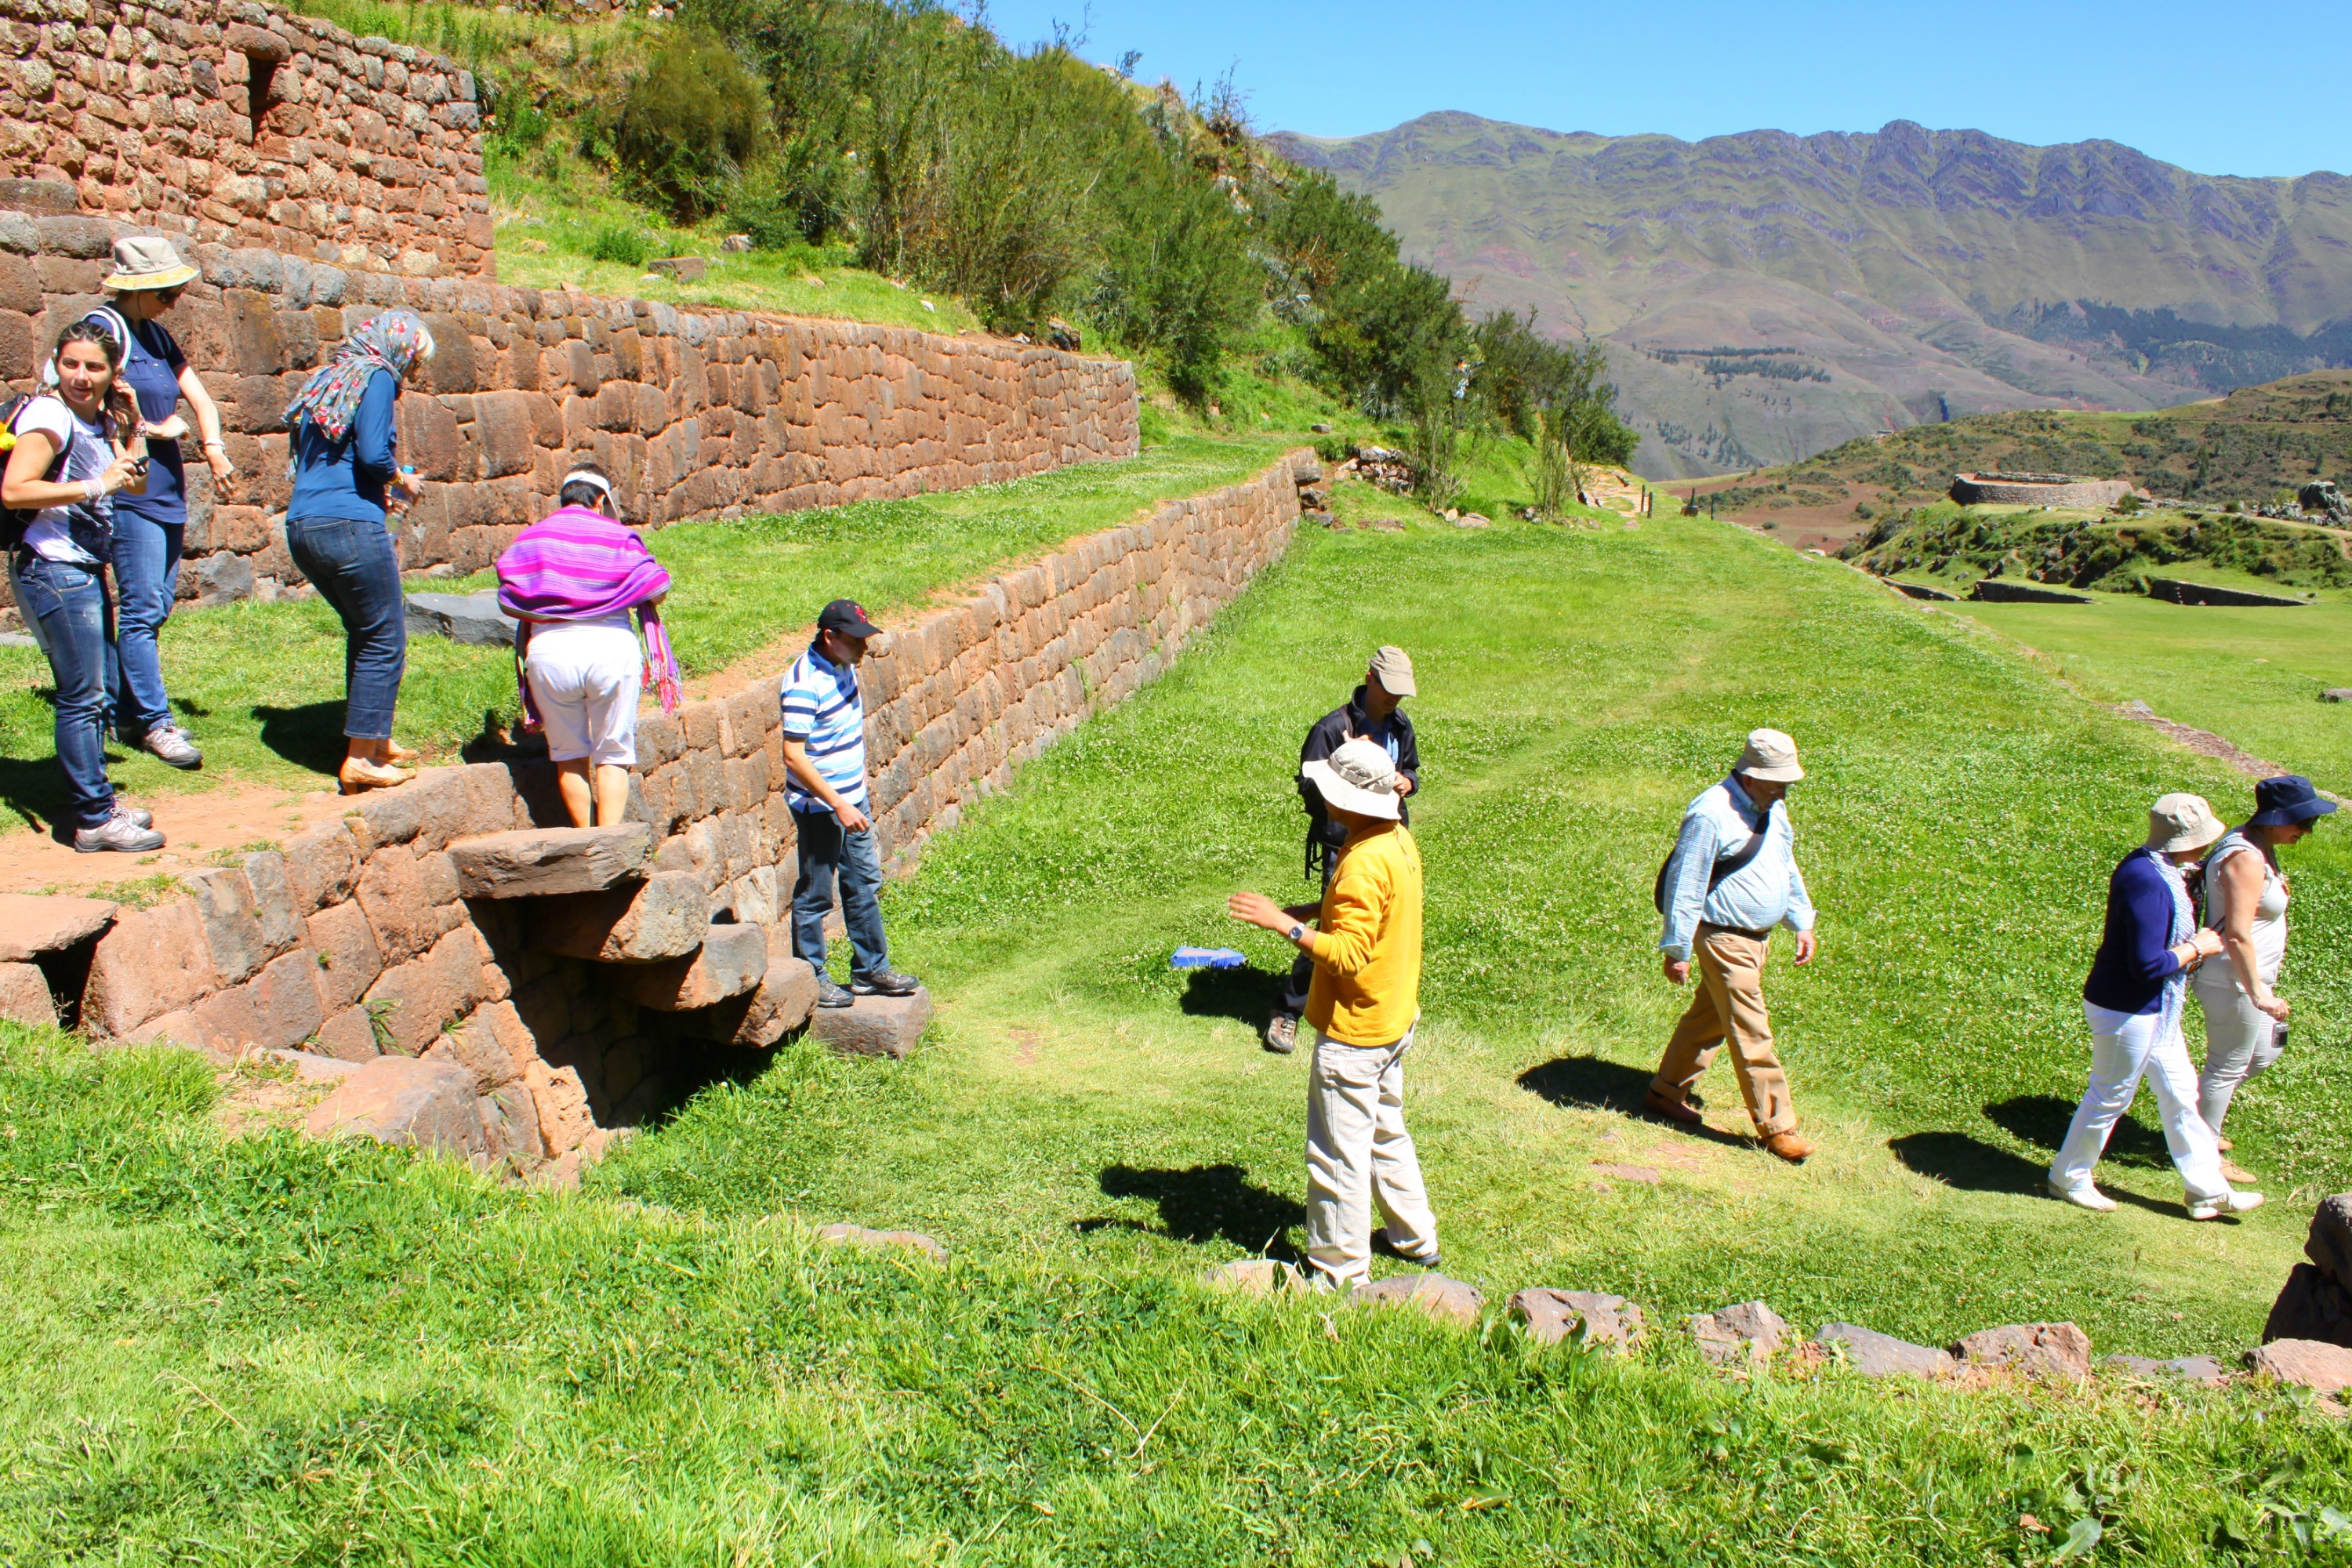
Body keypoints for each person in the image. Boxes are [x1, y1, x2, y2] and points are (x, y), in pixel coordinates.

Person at [1229, 738, 1438, 1290]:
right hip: (1393, 1018)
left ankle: (1338, 1268)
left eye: (1328, 789)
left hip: (1355, 1037)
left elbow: (1347, 954)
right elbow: (1368, 908)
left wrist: (1286, 926)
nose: (1320, 796)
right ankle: (1414, 1237)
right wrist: (1309, 911)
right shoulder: (1395, 840)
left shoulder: (1360, 865)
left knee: (1337, 1155)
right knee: (1385, 1130)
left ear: (1346, 800)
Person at [2049, 793, 2262, 1220]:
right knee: (2111, 1094)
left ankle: (2207, 1191)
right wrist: (2196, 947)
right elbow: (2147, 965)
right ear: (2186, 840)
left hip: (2155, 1009)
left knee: (2182, 1094)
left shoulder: (2159, 870)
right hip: (2128, 1009)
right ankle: (2068, 1176)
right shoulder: (2146, 881)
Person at [2, 320, 160, 851]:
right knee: (83, 695)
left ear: (113, 372)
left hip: (84, 568)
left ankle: (98, 802)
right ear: (56, 363)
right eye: (71, 363)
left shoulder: (97, 420)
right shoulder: (49, 414)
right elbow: (14, 489)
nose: (80, 375)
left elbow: (134, 479)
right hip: (54, 568)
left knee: (96, 694)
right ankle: (92, 819)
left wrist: (134, 422)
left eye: (93, 366)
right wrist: (96, 484)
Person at [85, 237, 236, 771]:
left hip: (167, 488)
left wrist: (213, 449)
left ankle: (128, 710)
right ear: (139, 288)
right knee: (143, 608)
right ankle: (154, 723)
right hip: (132, 492)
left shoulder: (155, 333)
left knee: (155, 607)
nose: (175, 299)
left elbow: (198, 397)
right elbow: (89, 410)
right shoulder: (105, 332)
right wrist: (153, 429)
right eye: (167, 291)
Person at [1647, 728, 1819, 1163]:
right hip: (1723, 938)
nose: (1783, 789)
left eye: (1787, 781)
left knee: (1709, 1018)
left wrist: (1801, 920)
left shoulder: (1773, 807)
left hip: (1754, 940)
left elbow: (1785, 864)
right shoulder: (1710, 814)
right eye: (1776, 780)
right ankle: (1778, 1127)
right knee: (1751, 1031)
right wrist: (1677, 949)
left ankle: (1665, 1093)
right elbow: (1686, 883)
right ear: (1749, 774)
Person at [281, 310, 434, 794]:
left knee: (365, 631)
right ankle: (361, 759)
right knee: (386, 636)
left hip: (305, 525)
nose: (409, 376)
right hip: (349, 525)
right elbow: (371, 454)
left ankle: (376, 738)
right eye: (413, 365)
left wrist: (378, 488)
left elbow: (334, 459)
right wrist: (399, 479)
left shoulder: (329, 379)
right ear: (399, 350)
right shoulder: (377, 377)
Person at [494, 463, 682, 827]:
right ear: (599, 499)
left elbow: (508, 598)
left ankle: (585, 840)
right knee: (612, 753)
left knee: (569, 754)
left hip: (548, 655)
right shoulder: (617, 536)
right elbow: (656, 587)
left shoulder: (532, 538)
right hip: (611, 651)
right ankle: (609, 845)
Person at [1265, 644, 1421, 1055]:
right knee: (1336, 931)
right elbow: (1310, 785)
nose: (1393, 699)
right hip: (1344, 846)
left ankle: (1365, 1004)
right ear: (1369, 677)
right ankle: (1289, 1011)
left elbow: (1410, 769)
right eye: (1388, 689)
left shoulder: (1401, 725)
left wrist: (1406, 781)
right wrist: (1347, 773)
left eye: (1400, 693)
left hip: (1388, 836)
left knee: (1375, 929)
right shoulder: (1333, 728)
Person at [780, 598, 921, 1008]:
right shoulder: (804, 683)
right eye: (855, 639)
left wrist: (853, 796)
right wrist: (837, 803)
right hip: (821, 808)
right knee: (815, 894)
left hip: (852, 800)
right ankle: (811, 976)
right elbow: (793, 756)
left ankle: (870, 970)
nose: (864, 647)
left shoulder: (844, 665)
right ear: (830, 636)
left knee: (863, 884)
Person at [2193, 775, 2336, 1157]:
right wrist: (2258, 993)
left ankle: (2194, 1121)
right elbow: (2237, 934)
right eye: (2302, 821)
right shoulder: (2245, 857)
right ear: (2274, 817)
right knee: (2228, 1063)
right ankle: (2201, 1150)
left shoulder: (2258, 845)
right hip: (2233, 981)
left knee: (2262, 1054)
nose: (2308, 830)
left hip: (2249, 981)